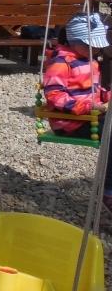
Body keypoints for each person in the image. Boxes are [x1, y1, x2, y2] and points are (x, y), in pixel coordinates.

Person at [42, 12, 112, 215]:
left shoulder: (89, 60)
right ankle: (108, 191)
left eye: (97, 46)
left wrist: (106, 96)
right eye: (92, 45)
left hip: (89, 116)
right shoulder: (61, 63)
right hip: (71, 122)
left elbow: (95, 90)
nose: (96, 49)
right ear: (74, 42)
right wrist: (89, 106)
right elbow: (54, 96)